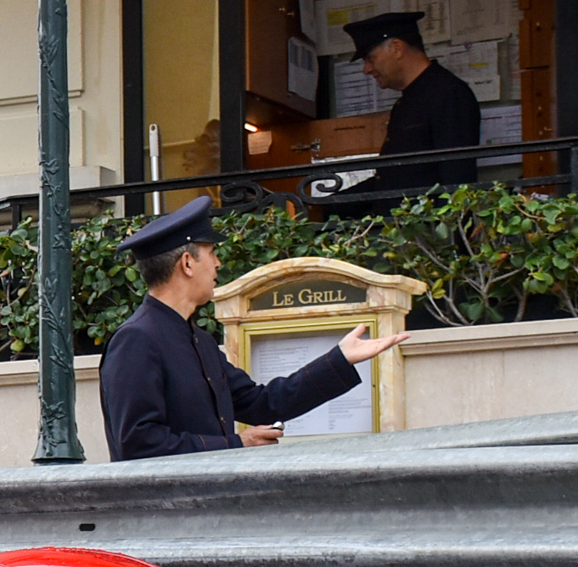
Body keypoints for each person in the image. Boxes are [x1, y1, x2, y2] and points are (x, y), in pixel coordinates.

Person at [98, 196, 407, 461]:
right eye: (211, 253)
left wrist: (339, 359)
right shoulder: (136, 340)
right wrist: (236, 444)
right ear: (188, 264)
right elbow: (138, 446)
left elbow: (261, 404)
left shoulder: (199, 340)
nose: (218, 263)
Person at [316, 11, 483, 219]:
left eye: (370, 58)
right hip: (400, 234)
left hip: (425, 239)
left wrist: (446, 242)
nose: (367, 69)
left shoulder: (448, 93)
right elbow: (390, 180)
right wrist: (320, 208)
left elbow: (456, 180)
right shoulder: (408, 100)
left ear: (396, 48)